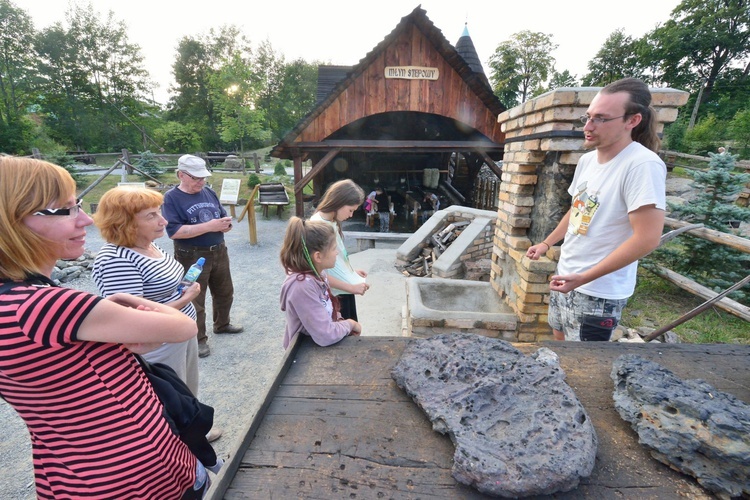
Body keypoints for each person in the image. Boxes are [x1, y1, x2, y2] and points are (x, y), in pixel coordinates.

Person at [0, 157, 209, 499]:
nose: (85, 220)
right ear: (12, 221)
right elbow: (184, 326)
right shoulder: (44, 305)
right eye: (65, 210)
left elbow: (59, 372)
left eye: (78, 205)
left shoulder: (16, 302)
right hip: (135, 475)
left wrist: (112, 341)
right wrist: (121, 301)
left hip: (75, 473)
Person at [526, 77, 666, 342]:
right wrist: (546, 243)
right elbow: (577, 210)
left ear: (632, 121)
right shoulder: (588, 161)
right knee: (560, 346)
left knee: (585, 367)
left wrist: (584, 278)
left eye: (601, 118)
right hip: (568, 276)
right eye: (588, 117)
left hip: (599, 291)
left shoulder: (642, 165)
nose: (588, 127)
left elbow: (647, 238)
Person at [163, 154, 243, 358]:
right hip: (191, 254)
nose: (201, 181)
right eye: (196, 177)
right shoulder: (171, 198)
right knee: (194, 298)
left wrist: (226, 225)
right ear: (181, 174)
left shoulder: (209, 192)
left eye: (203, 177)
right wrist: (211, 226)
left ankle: (222, 324)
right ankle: (198, 339)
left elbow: (220, 216)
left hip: (218, 249)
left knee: (225, 291)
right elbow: (174, 232)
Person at [279, 217, 362, 348]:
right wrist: (351, 324)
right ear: (318, 256)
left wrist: (340, 321)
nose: (337, 252)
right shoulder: (302, 286)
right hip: (304, 352)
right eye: (334, 248)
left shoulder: (319, 274)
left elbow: (328, 307)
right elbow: (325, 335)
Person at [310, 179, 369, 321]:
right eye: (350, 210)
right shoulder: (319, 226)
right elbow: (317, 273)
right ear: (339, 202)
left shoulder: (331, 222)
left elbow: (338, 259)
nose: (351, 215)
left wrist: (351, 272)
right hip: (335, 294)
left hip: (342, 289)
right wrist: (351, 287)